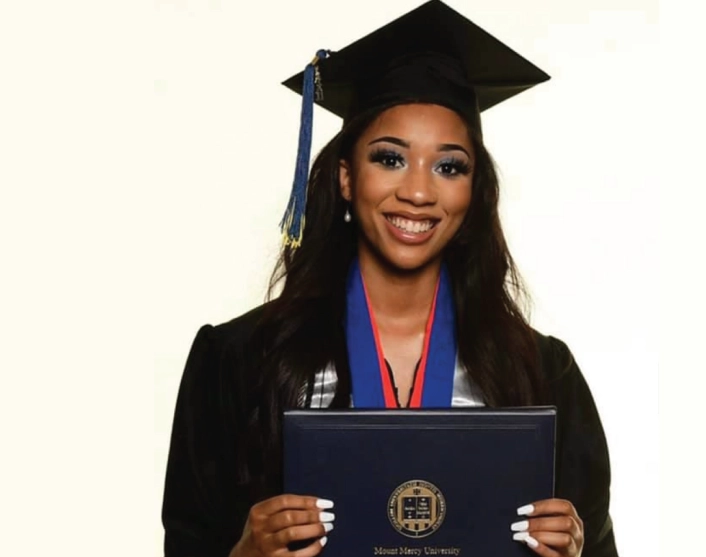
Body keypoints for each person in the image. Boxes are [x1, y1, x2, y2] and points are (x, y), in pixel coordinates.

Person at [161, 1, 618, 556]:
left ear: (474, 193)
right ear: (347, 178)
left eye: (450, 166)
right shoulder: (238, 360)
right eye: (389, 158)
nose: (419, 192)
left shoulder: (541, 373)